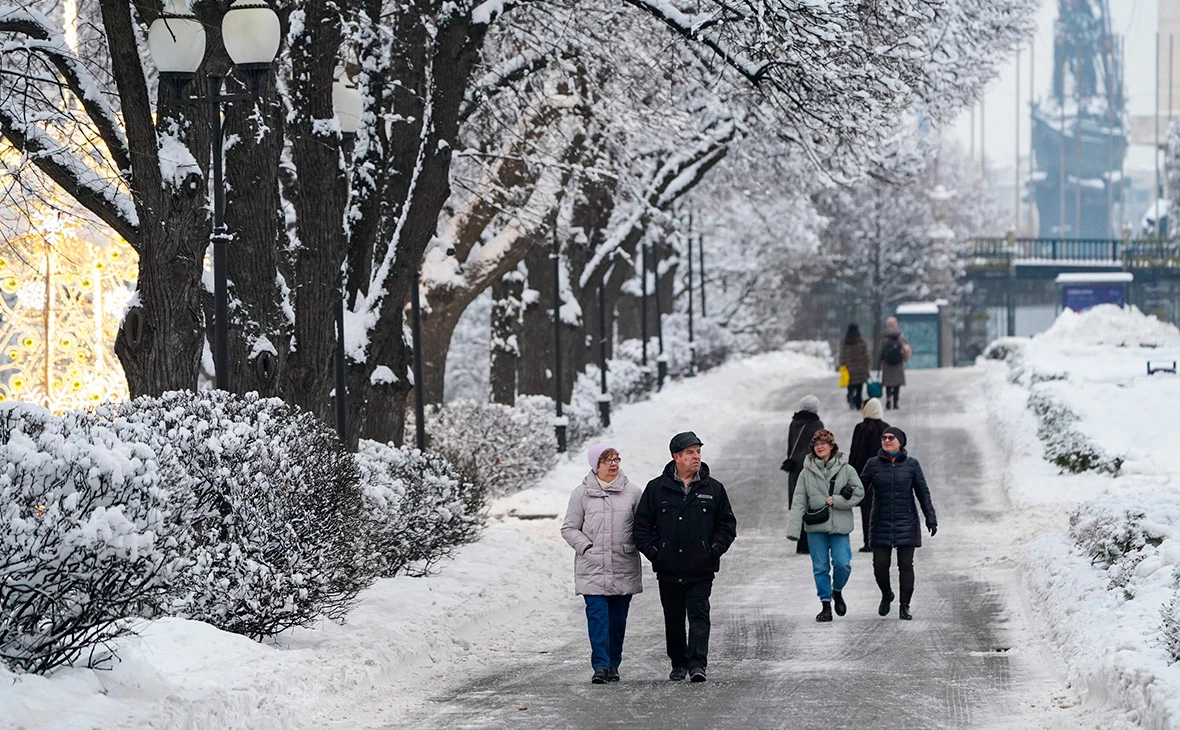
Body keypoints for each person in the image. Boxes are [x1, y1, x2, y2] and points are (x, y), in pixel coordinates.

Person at [634, 432, 737, 683]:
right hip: (668, 568)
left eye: (698, 452)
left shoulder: (713, 488)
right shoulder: (656, 488)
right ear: (676, 457)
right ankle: (678, 663)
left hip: (701, 568)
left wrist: (714, 549)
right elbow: (641, 527)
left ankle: (698, 664)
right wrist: (654, 553)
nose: (696, 457)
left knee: (699, 616)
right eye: (690, 452)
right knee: (674, 618)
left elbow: (727, 525)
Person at [561, 444, 643, 684]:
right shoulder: (581, 494)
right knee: (598, 618)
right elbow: (569, 528)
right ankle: (600, 666)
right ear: (595, 465)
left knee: (618, 620)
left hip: (623, 565)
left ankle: (613, 664)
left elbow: (643, 527)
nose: (613, 464)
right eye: (607, 460)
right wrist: (587, 547)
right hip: (592, 567)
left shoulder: (633, 493)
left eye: (616, 459)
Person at [859, 426, 938, 621]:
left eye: (891, 437)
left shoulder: (912, 465)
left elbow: (922, 492)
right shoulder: (872, 464)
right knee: (880, 566)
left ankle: (905, 606)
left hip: (906, 521)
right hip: (880, 521)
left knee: (906, 565)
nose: (886, 440)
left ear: (900, 442)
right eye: (883, 437)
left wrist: (930, 517)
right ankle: (886, 593)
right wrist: (845, 493)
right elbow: (859, 489)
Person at [786, 429, 864, 622]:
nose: (820, 446)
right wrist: (793, 530)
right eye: (816, 443)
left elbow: (859, 492)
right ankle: (826, 604)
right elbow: (798, 501)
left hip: (840, 526)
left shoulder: (847, 469)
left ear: (831, 445)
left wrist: (837, 500)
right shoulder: (806, 472)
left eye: (824, 443)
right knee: (820, 568)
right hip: (815, 526)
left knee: (842, 564)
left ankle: (837, 590)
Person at [781, 395, 824, 554]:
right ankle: (810, 544)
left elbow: (790, 445)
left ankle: (801, 543)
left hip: (794, 468)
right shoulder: (817, 424)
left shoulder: (795, 423)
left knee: (799, 504)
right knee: (812, 505)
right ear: (815, 409)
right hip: (810, 468)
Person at [848, 398, 889, 553]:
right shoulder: (886, 428)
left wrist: (851, 472)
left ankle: (869, 541)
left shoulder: (861, 428)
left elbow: (856, 452)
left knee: (867, 510)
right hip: (884, 475)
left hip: (865, 476)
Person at [876, 316, 911, 411]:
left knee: (888, 383)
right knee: (897, 383)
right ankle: (895, 402)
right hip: (898, 364)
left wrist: (879, 363)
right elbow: (906, 349)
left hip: (887, 364)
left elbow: (881, 352)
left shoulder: (884, 337)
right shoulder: (900, 336)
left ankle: (888, 399)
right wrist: (905, 359)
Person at [838, 323, 871, 410]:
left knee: (850, 385)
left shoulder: (844, 342)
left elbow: (842, 355)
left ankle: (850, 396)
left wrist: (842, 364)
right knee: (859, 387)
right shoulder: (862, 341)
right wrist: (866, 365)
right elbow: (866, 355)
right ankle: (858, 401)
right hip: (860, 368)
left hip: (849, 368)